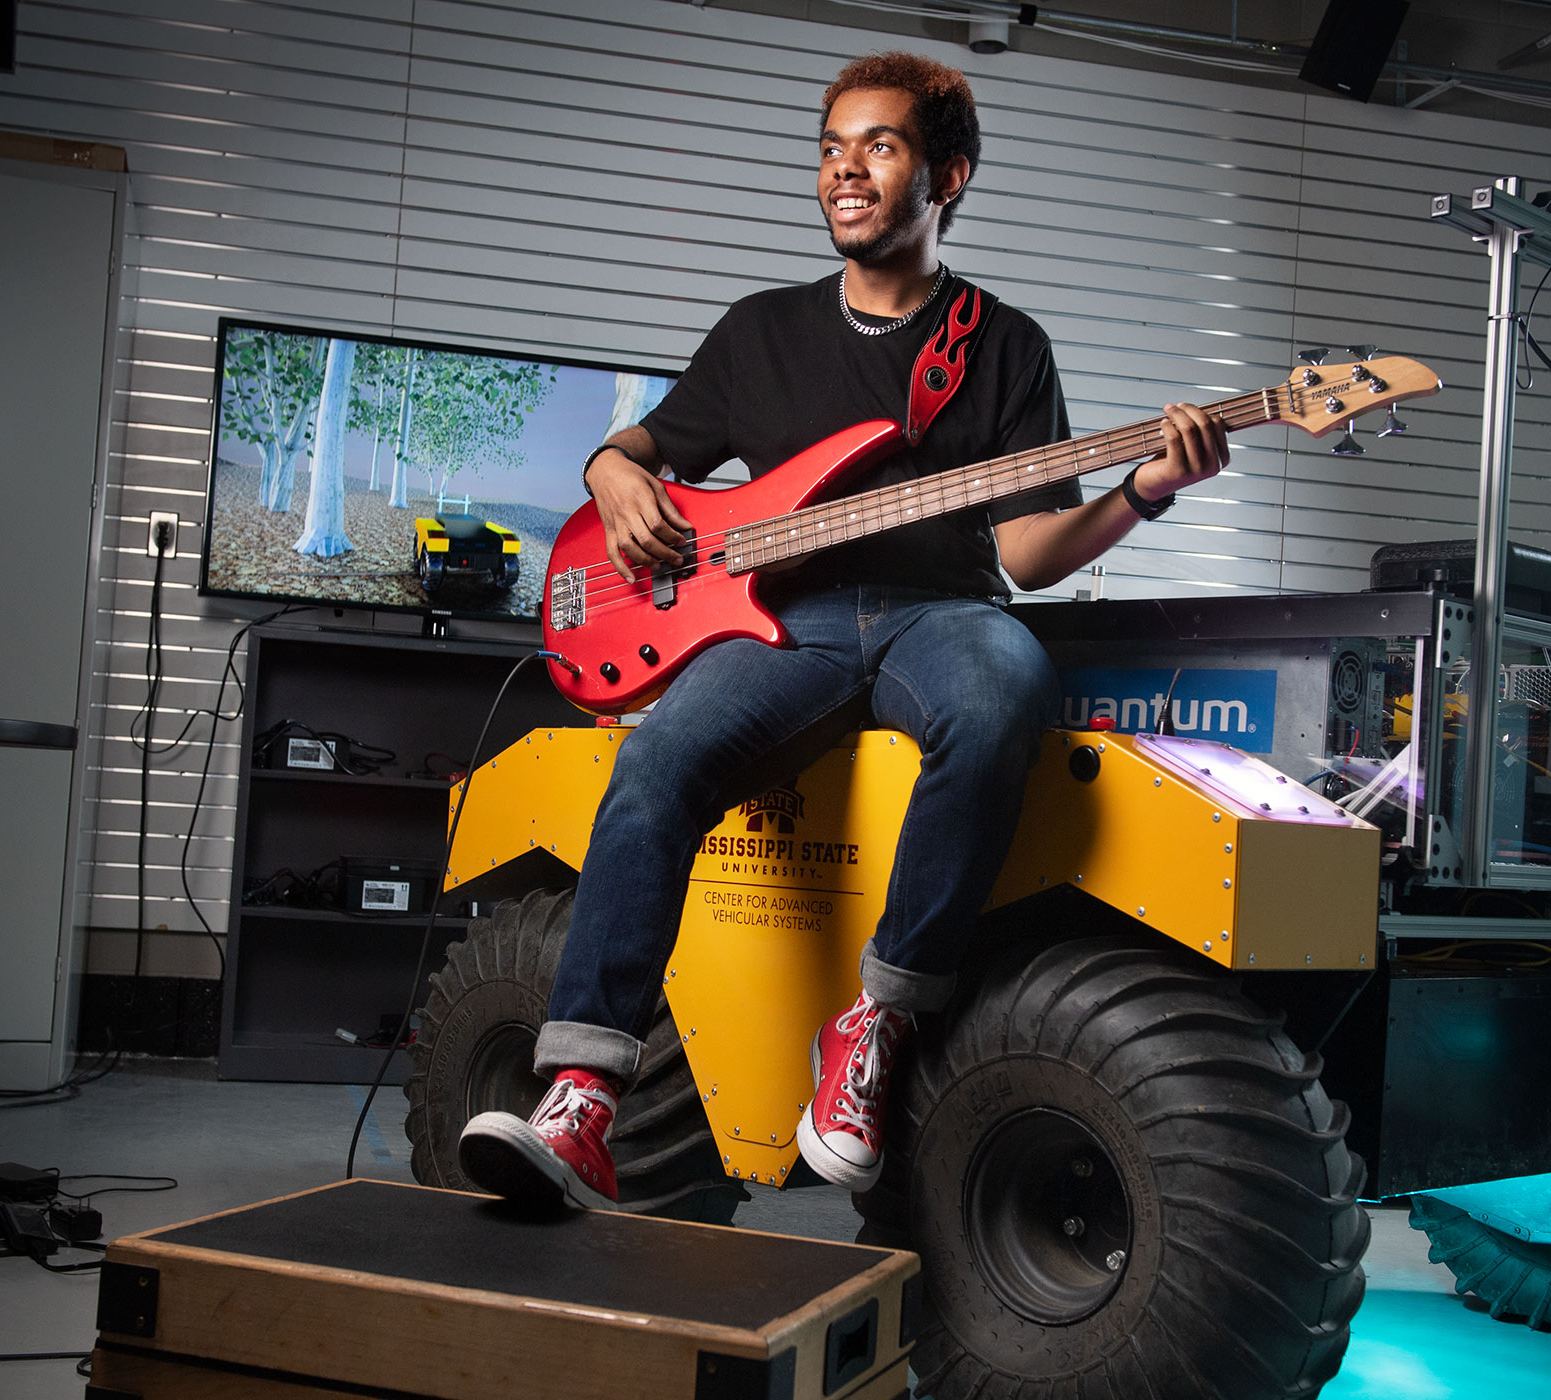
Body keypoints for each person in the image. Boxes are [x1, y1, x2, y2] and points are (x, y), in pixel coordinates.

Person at [457, 51, 1229, 1210]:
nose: (845, 169)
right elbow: (642, 453)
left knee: (1001, 688)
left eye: (879, 145)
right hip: (787, 625)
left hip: (944, 613)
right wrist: (609, 472)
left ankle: (875, 1020)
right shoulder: (760, 332)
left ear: (947, 174)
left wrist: (1142, 490)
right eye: (831, 146)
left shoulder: (1004, 343)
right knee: (655, 760)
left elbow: (1022, 553)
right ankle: (581, 1099)